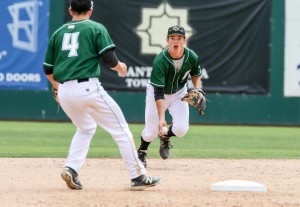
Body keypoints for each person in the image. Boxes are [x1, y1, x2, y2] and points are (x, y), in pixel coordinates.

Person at [43, 0, 161, 190]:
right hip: (88, 88)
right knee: (121, 130)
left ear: (70, 10)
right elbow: (109, 59)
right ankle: (138, 176)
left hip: (65, 91)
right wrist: (120, 67)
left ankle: (71, 168)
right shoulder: (95, 28)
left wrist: (57, 86)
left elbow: (47, 68)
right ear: (91, 10)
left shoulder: (58, 33)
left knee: (86, 128)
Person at [137, 26, 202, 168]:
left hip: (179, 92)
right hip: (158, 93)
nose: (176, 41)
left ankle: (165, 136)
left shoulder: (192, 56)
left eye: (179, 38)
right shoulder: (160, 60)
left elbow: (196, 74)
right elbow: (159, 92)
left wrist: (197, 89)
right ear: (167, 40)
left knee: (181, 130)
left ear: (184, 40)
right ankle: (142, 151)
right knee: (151, 133)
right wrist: (161, 119)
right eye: (172, 38)